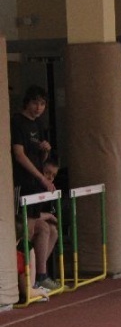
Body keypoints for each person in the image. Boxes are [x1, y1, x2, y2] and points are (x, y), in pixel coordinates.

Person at [11, 86, 61, 291]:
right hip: (23, 184)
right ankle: (22, 279)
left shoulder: (39, 125)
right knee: (28, 230)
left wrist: (44, 152)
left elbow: (41, 160)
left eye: (42, 104)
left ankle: (39, 275)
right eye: (35, 103)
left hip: (35, 186)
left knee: (48, 230)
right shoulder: (17, 122)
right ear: (27, 102)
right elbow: (19, 154)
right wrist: (42, 178)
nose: (38, 108)